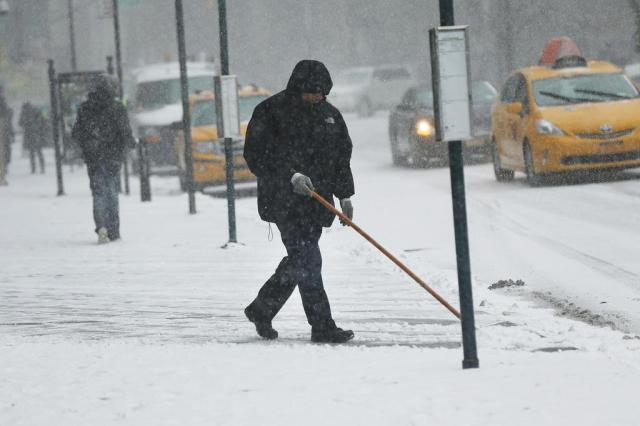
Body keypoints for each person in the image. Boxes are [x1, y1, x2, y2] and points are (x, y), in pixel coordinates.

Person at [243, 60, 356, 344]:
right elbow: (256, 155)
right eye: (312, 91)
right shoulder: (270, 112)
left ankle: (261, 309)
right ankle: (322, 326)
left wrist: (345, 196)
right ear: (298, 88)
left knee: (300, 261)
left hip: (317, 203)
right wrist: (290, 176)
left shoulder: (330, 116)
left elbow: (341, 158)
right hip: (283, 202)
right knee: (309, 259)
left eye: (322, 92)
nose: (318, 97)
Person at [72, 74, 134, 244]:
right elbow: (125, 132)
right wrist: (129, 144)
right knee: (112, 192)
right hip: (113, 156)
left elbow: (76, 133)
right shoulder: (117, 107)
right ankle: (114, 231)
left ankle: (101, 228)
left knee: (98, 193)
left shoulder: (85, 108)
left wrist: (87, 146)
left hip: (93, 158)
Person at [19, 102, 46, 174]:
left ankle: (33, 168)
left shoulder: (25, 112)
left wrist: (26, 123)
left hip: (29, 134)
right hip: (37, 133)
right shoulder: (36, 110)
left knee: (32, 153)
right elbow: (43, 121)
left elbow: (20, 123)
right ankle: (42, 168)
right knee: (39, 151)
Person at [0, 86, 14, 186]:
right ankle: (2, 177)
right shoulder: (2, 103)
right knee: (2, 155)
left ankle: (2, 176)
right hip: (2, 130)